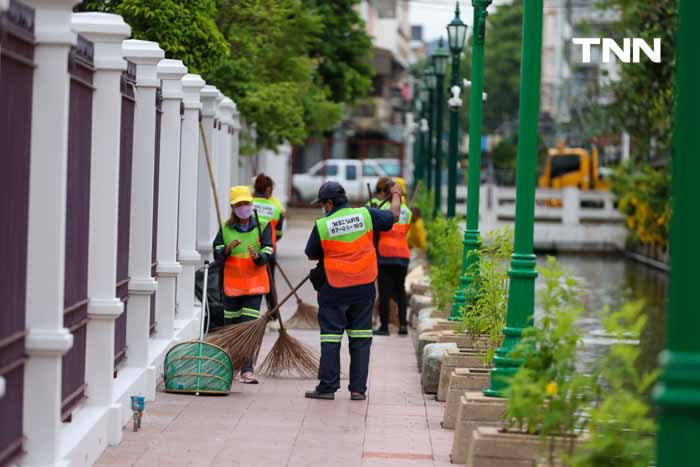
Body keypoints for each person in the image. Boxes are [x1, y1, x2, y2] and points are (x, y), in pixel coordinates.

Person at [304, 181, 402, 400]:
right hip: (363, 286)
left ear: (329, 203)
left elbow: (311, 254)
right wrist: (396, 194)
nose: (323, 207)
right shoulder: (366, 214)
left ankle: (327, 388)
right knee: (360, 337)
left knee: (331, 338)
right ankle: (358, 390)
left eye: (323, 203)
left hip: (334, 288)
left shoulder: (323, 224)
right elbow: (394, 215)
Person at [213, 185, 274, 384]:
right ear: (233, 207)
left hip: (254, 286)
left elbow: (268, 249)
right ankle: (232, 365)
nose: (244, 207)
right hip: (232, 286)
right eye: (239, 204)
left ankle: (247, 369)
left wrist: (259, 256)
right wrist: (226, 250)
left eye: (246, 203)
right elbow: (217, 251)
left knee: (249, 327)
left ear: (251, 204)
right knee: (232, 327)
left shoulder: (263, 225)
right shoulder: (225, 228)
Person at [373, 177, 412, 336]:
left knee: (384, 292)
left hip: (385, 255)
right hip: (402, 254)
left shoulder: (383, 210)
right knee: (400, 291)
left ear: (387, 194)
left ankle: (384, 327)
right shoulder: (407, 211)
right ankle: (403, 326)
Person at [252, 174, 284, 309]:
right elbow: (278, 233)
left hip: (247, 250)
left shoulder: (246, 205)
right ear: (269, 189)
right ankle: (274, 315)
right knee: (270, 283)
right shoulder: (276, 209)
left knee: (250, 283)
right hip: (268, 250)